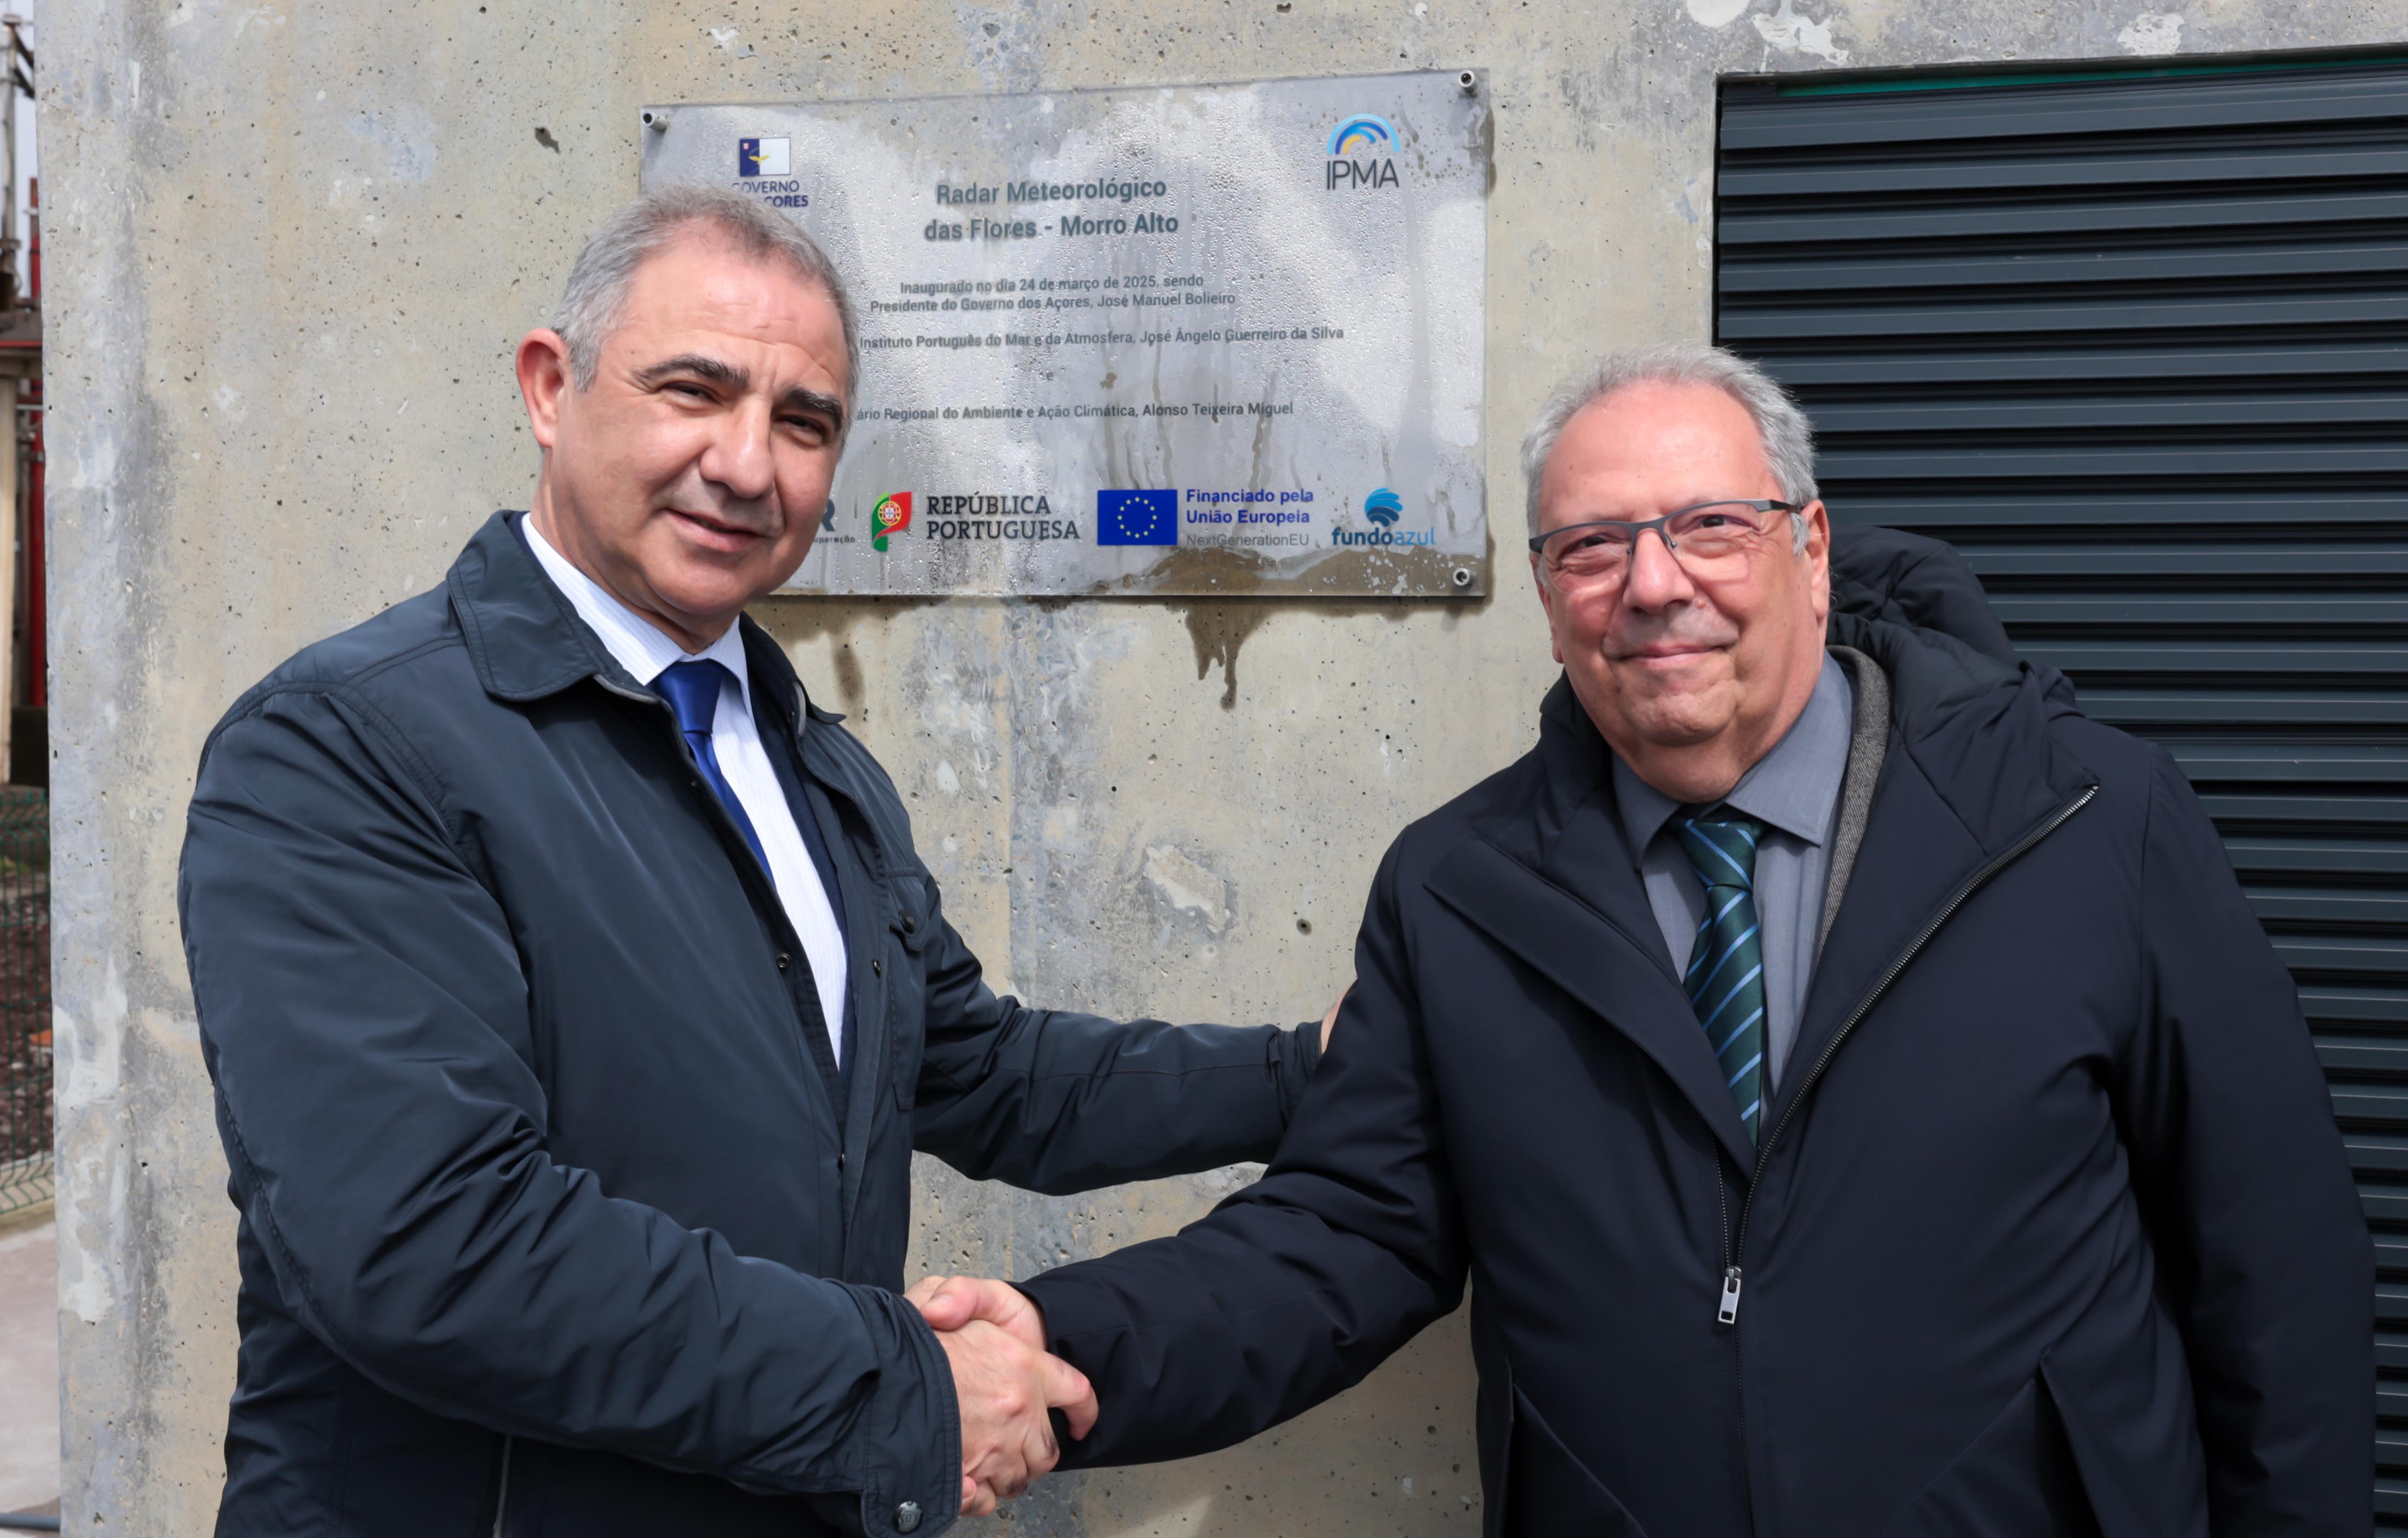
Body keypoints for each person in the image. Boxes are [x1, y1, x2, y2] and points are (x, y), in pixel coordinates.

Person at [915, 343, 2373, 1535]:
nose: (1653, 584)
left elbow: (2274, 1270)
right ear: (1548, 599)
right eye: (1591, 546)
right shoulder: (1459, 890)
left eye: (1706, 528)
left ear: (1806, 549)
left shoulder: (2083, 819)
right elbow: (1342, 1238)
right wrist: (1066, 1346)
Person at [177, 183, 1335, 1538]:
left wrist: (1309, 1071)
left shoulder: (807, 762)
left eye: (804, 423)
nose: (746, 465)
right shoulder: (347, 746)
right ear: (552, 387)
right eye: (694, 390)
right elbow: (434, 1242)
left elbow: (980, 1070)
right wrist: (904, 1387)